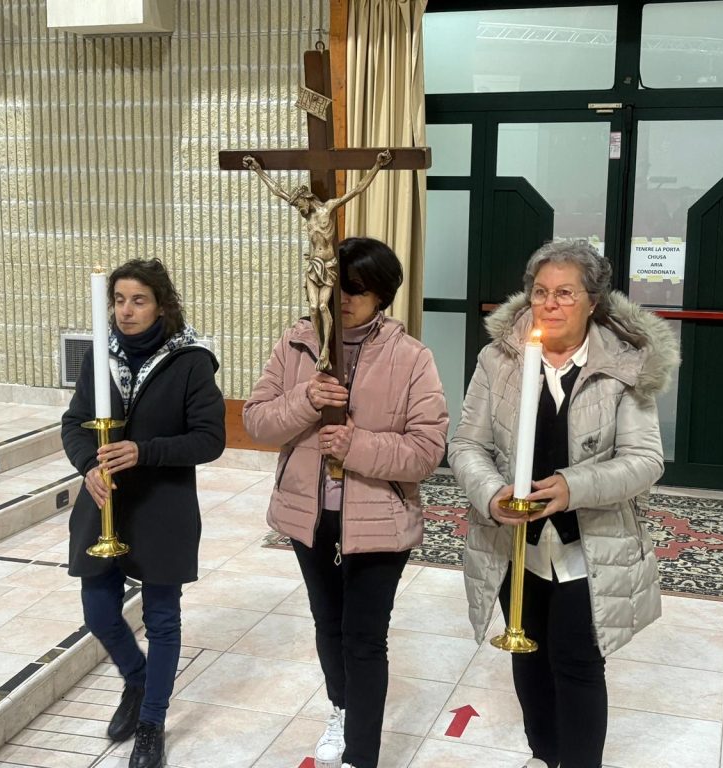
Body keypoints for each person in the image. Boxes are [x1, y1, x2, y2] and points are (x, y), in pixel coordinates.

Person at [448, 240, 679, 768]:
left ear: (593, 301)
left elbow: (645, 460)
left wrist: (574, 487)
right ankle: (543, 754)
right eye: (540, 292)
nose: (549, 304)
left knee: (576, 661)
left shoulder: (625, 365)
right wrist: (490, 492)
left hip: (588, 547)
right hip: (514, 543)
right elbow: (466, 445)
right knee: (527, 654)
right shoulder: (497, 359)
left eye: (565, 293)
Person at [243, 237, 449, 768]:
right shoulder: (297, 344)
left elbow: (427, 452)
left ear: (381, 294)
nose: (344, 300)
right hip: (309, 518)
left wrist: (355, 446)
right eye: (336, 288)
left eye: (356, 290)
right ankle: (339, 707)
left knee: (364, 637)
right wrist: (305, 399)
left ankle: (361, 753)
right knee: (327, 623)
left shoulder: (411, 358)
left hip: (380, 520)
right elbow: (256, 422)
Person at [61, 259, 225, 768]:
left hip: (162, 505)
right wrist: (88, 464)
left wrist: (143, 451)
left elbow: (210, 439)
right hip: (104, 503)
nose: (126, 311)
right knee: (98, 612)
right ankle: (136, 680)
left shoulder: (191, 361)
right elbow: (75, 422)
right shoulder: (100, 355)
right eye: (118, 300)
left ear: (161, 306)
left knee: (162, 621)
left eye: (138, 300)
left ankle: (152, 724)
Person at [243, 151, 391, 371]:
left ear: (307, 198)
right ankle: (323, 348)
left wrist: (377, 166)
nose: (299, 209)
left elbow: (357, 189)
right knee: (313, 307)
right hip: (314, 266)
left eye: (299, 204)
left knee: (323, 305)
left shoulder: (327, 208)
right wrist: (257, 169)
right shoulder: (308, 215)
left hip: (328, 265)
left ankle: (324, 351)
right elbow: (277, 191)